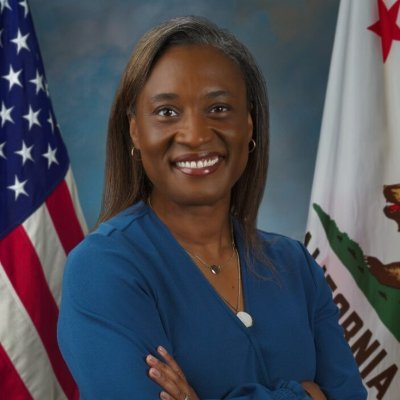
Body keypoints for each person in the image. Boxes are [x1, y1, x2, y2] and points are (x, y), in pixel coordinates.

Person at [57, 16, 367, 400]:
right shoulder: (103, 268)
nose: (196, 135)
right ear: (135, 131)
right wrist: (306, 395)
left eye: (219, 108)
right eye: (167, 112)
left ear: (249, 125)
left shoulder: (295, 264)